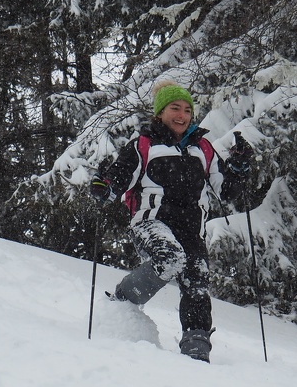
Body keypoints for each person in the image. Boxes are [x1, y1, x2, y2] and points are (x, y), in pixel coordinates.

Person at [89, 79, 254, 362]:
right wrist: (105, 186)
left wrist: (238, 167)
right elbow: (117, 178)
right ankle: (124, 298)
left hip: (191, 229)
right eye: (174, 108)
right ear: (160, 113)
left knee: (197, 280)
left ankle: (196, 347)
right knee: (170, 257)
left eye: (187, 110)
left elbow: (227, 190)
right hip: (151, 222)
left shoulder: (202, 148)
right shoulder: (144, 145)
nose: (181, 115)